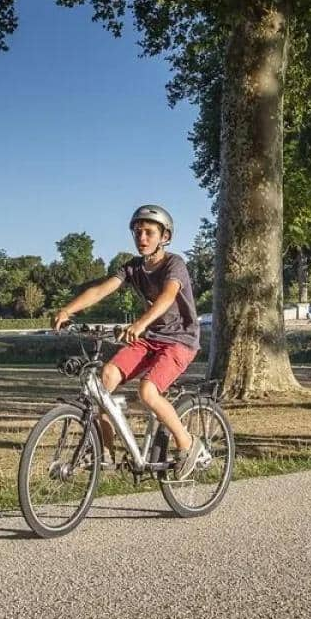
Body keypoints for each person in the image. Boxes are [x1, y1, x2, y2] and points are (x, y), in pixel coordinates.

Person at [52, 204, 210, 480]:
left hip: (179, 341)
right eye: (138, 232)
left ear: (165, 237)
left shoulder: (175, 264)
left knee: (148, 392)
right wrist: (68, 310)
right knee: (102, 383)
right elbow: (102, 289)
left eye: (149, 232)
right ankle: (105, 453)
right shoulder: (132, 268)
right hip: (149, 339)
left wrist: (139, 324)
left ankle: (188, 444)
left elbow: (167, 296)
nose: (142, 238)